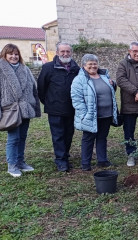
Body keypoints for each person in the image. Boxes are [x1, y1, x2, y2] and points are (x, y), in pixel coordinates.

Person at [37, 42, 80, 172]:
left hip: (71, 108)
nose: (65, 54)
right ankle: (60, 160)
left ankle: (65, 156)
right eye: (62, 51)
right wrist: (49, 102)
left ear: (71, 53)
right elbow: (41, 88)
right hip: (55, 108)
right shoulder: (48, 68)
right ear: (57, 53)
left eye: (68, 51)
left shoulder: (76, 69)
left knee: (69, 134)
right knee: (58, 135)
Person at [71, 54, 118, 171]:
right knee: (88, 138)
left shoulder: (104, 77)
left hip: (106, 114)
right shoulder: (79, 80)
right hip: (91, 115)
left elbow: (111, 91)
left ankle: (102, 160)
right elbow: (77, 99)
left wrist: (114, 84)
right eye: (90, 64)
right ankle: (85, 163)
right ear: (83, 66)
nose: (93, 66)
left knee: (102, 137)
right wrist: (85, 114)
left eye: (95, 63)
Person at [0, 44, 41, 177]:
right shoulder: (1, 70)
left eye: (16, 54)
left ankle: (20, 162)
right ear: (5, 55)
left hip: (25, 108)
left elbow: (33, 89)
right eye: (10, 54)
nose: (14, 56)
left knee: (22, 137)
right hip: (10, 109)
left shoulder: (25, 69)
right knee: (13, 138)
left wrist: (34, 106)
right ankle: (12, 166)